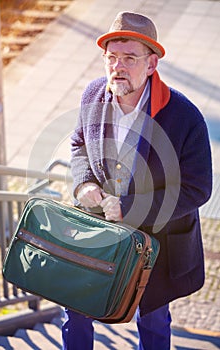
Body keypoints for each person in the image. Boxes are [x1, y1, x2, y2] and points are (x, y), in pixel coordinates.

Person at [62, 11, 212, 350]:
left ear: (151, 64)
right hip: (99, 232)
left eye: (130, 58)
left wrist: (130, 208)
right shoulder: (92, 94)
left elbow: (198, 187)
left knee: (153, 320)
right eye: (112, 57)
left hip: (157, 243)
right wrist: (84, 183)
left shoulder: (185, 116)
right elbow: (79, 145)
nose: (118, 67)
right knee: (75, 309)